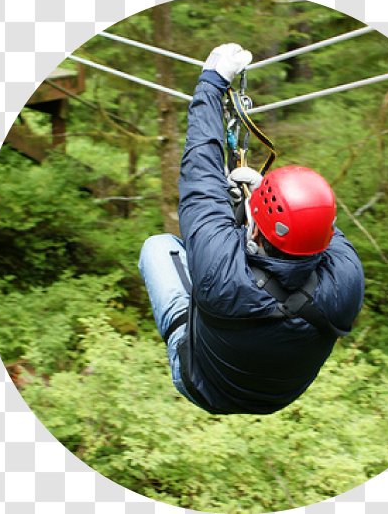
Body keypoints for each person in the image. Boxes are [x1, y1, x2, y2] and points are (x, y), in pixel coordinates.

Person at [138, 43, 365, 415]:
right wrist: (261, 193)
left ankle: (190, 332)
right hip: (278, 396)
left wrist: (210, 84)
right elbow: (317, 223)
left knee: (158, 246)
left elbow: (201, 169)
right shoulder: (348, 279)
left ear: (256, 231)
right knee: (219, 268)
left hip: (200, 383)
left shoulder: (218, 270)